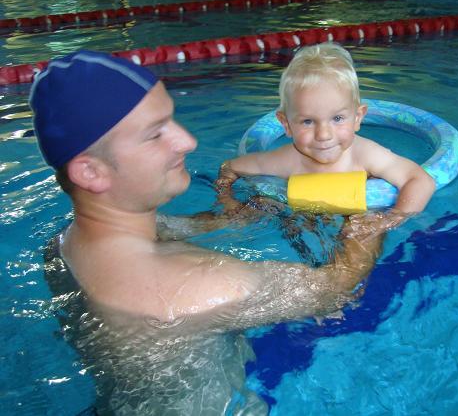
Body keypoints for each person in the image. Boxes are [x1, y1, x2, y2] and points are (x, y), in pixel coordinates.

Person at [30, 49, 383, 327]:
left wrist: (225, 218)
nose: (187, 141)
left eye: (172, 119)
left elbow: (165, 232)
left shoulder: (66, 243)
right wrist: (368, 209)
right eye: (155, 134)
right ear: (90, 172)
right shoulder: (202, 287)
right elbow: (336, 288)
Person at [216, 43, 436, 231]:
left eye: (338, 118)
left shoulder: (365, 155)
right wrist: (227, 201)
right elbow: (230, 167)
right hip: (300, 219)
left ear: (358, 117)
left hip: (357, 217)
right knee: (257, 207)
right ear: (286, 124)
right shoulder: (285, 160)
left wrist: (390, 219)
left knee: (356, 235)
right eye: (308, 121)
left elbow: (420, 180)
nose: (323, 135)